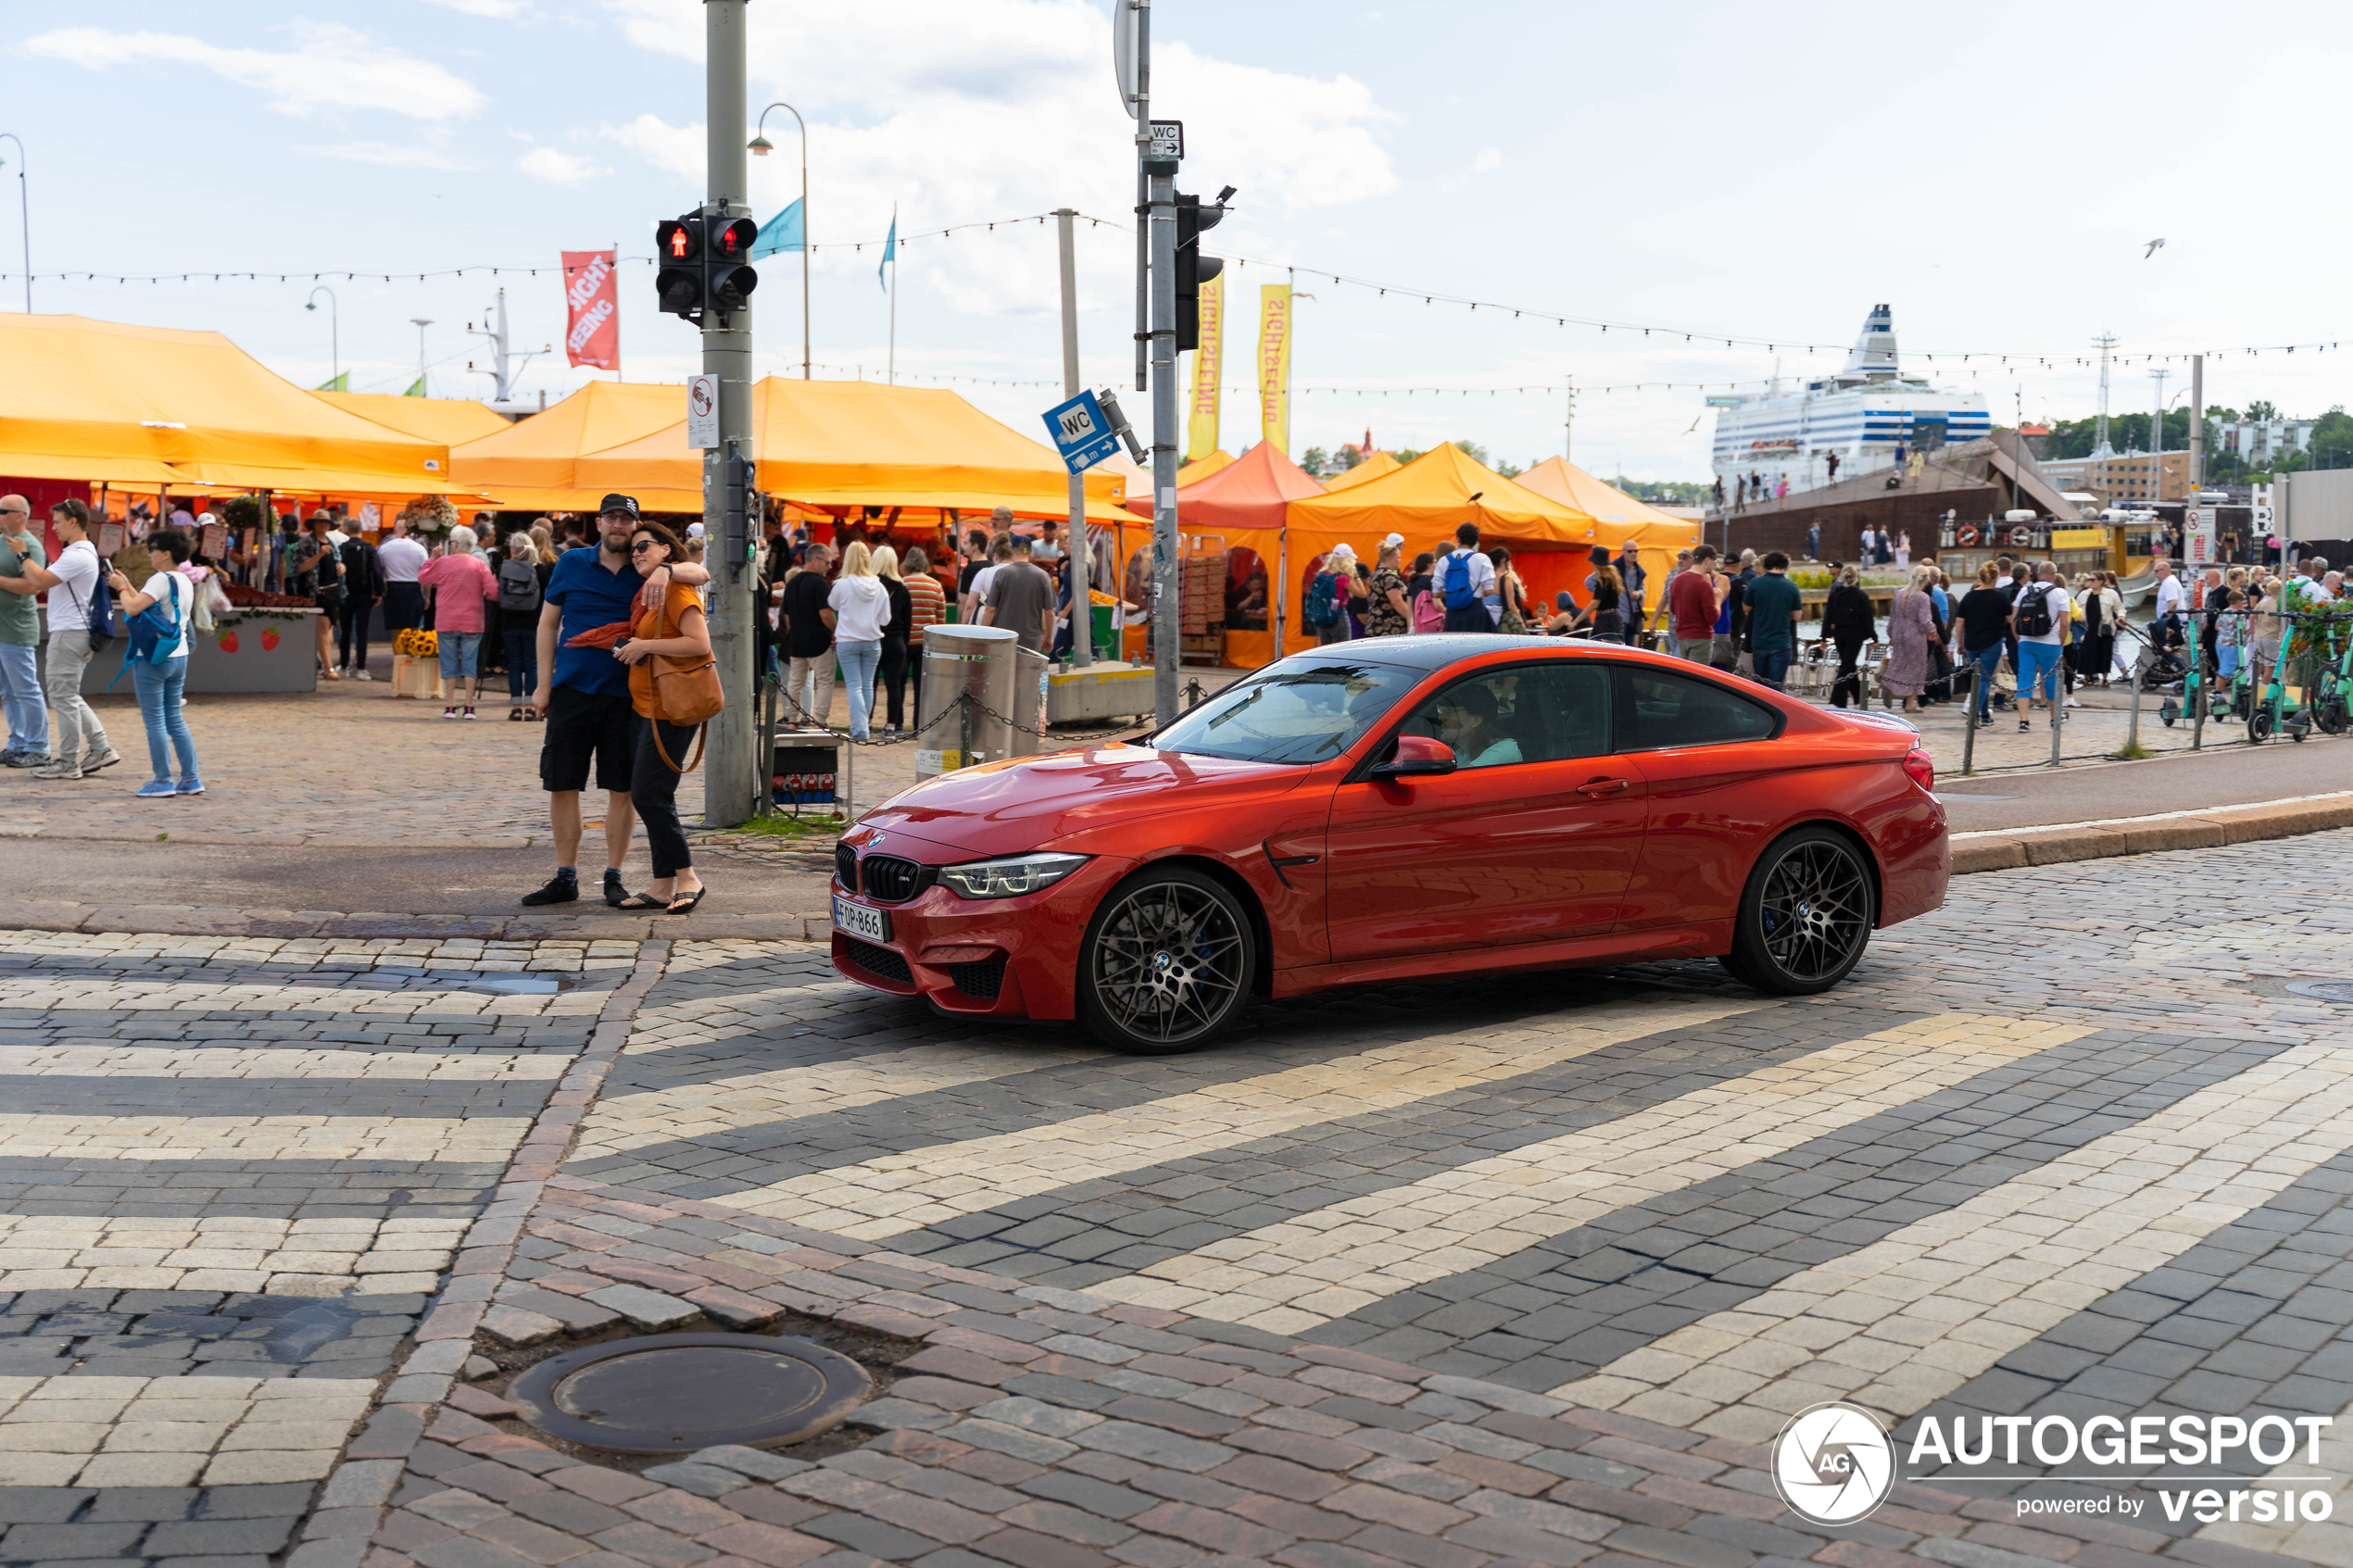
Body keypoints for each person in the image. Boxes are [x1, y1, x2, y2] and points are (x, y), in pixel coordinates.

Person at [524, 494, 707, 908]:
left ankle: (613, 876)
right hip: (571, 690)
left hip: (627, 696)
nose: (619, 526)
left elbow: (701, 571)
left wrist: (665, 570)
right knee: (562, 784)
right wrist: (542, 684)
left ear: (637, 525)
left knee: (621, 789)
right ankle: (565, 876)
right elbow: (548, 623)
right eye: (612, 518)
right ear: (599, 522)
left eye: (627, 519)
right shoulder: (571, 563)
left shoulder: (645, 567)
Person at [609, 520, 711, 916]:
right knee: (653, 795)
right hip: (648, 707)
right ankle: (661, 884)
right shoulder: (654, 589)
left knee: (648, 795)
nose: (636, 553)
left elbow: (698, 643)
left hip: (671, 709)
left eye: (644, 546)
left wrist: (642, 646)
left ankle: (688, 877)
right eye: (633, 549)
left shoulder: (677, 587)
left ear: (667, 551)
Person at [9, 500, 121, 780]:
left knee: (62, 697)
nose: (55, 528)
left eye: (58, 522)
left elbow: (40, 581)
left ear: (73, 521)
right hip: (75, 633)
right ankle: (100, 747)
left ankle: (68, 761)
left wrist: (24, 556)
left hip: (70, 634)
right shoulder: (83, 552)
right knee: (68, 695)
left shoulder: (78, 554)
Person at [106, 526, 202, 797]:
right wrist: (129, 586)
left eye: (153, 550)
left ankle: (162, 781)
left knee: (155, 722)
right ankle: (191, 778)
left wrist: (121, 587)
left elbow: (133, 607)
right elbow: (151, 603)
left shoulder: (160, 579)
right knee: (175, 719)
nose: (149, 555)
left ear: (166, 553)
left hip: (153, 657)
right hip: (178, 653)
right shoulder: (182, 579)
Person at [419, 526, 497, 719]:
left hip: (446, 620)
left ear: (454, 544)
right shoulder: (479, 565)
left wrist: (432, 558)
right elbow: (494, 592)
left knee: (449, 663)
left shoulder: (443, 562)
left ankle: (451, 705)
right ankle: (469, 706)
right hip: (472, 620)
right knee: (470, 663)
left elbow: (423, 577)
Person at [0, 495, 48, 767]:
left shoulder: (29, 545)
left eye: (2, 511)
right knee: (8, 691)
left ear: (19, 515)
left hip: (17, 628)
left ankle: (38, 746)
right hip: (2, 628)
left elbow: (33, 586)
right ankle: (17, 743)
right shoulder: (2, 540)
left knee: (26, 690)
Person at [827, 542, 891, 742]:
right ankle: (863, 727)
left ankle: (860, 728)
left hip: (847, 641)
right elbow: (886, 620)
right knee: (867, 686)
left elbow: (832, 604)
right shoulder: (879, 587)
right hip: (872, 641)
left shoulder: (842, 584)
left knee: (854, 686)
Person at [2009, 560, 2072, 733]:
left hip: (2026, 641)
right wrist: (2061, 641)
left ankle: (2024, 721)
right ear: (2054, 575)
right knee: (2051, 680)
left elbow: (2014, 618)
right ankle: (2054, 718)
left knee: (2025, 679)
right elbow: (2065, 622)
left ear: (2037, 575)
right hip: (2050, 643)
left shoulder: (2025, 591)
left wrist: (2019, 639)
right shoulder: (2060, 593)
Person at [781, 540, 837, 728]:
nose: (829, 567)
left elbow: (787, 615)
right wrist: (835, 631)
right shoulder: (820, 584)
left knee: (795, 683)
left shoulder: (792, 583)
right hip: (819, 642)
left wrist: (796, 629)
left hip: (797, 642)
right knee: (824, 682)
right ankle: (820, 721)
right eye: (827, 562)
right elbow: (825, 613)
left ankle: (791, 720)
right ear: (815, 560)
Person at [497, 532, 553, 721]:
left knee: (514, 664)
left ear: (513, 549)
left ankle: (515, 707)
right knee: (531, 664)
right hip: (533, 622)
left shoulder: (504, 568)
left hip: (509, 621)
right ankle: (530, 707)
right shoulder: (540, 570)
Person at [1952, 563, 2010, 727]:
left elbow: (1959, 621)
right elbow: (2011, 619)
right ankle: (1975, 714)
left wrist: (1959, 642)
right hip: (1992, 642)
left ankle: (1985, 715)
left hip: (1971, 643)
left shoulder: (1969, 597)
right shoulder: (2000, 597)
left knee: (1978, 677)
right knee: (1984, 679)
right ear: (1996, 578)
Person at [865, 545, 915, 735]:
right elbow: (908, 622)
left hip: (874, 638)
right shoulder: (902, 589)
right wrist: (904, 642)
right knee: (894, 685)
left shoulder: (870, 586)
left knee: (870, 684)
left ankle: (867, 722)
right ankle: (891, 725)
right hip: (896, 642)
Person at [981, 533, 1056, 658]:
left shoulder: (1002, 574)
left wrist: (982, 636)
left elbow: (990, 609)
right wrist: (1048, 637)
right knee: (1028, 675)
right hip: (1031, 641)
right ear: (1030, 552)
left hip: (1003, 639)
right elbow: (1050, 613)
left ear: (1011, 552)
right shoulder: (1042, 576)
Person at [900, 546, 945, 725]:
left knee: (899, 684)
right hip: (926, 642)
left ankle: (897, 723)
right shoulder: (936, 585)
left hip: (904, 641)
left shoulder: (902, 583)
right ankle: (920, 724)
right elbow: (941, 620)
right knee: (922, 687)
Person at [1745, 552, 1803, 690]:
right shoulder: (1791, 586)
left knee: (1760, 685)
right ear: (1785, 565)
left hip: (1759, 641)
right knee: (1775, 686)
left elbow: (1746, 608)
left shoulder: (1755, 583)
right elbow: (1797, 617)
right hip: (1781, 642)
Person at [1821, 565, 1877, 708]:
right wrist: (1873, 637)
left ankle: (1859, 698)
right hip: (1855, 634)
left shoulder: (1835, 594)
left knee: (1848, 664)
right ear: (1856, 578)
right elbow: (1867, 618)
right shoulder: (1861, 596)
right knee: (1847, 665)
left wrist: (1824, 637)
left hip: (1839, 633)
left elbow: (1828, 616)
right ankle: (1837, 701)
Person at [1882, 565, 1935, 714]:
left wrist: (1891, 633)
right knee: (1916, 668)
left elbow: (1892, 617)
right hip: (1914, 635)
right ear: (1925, 580)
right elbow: (1924, 621)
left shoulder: (1899, 594)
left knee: (1898, 662)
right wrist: (1933, 630)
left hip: (1898, 632)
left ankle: (1889, 687)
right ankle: (1910, 704)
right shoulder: (1922, 597)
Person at [335, 521, 384, 681]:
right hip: (364, 595)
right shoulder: (369, 549)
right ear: (361, 530)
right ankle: (361, 668)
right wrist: (379, 593)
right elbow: (377, 572)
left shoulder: (342, 548)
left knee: (345, 632)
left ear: (347, 530)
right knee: (362, 631)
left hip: (345, 594)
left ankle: (343, 666)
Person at [1434, 681, 1519, 769]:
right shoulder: (1458, 755)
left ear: (1476, 721)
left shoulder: (1505, 749)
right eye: (1442, 711)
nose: (1440, 717)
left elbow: (1461, 780)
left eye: (1449, 712)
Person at [306, 513, 348, 682]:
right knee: (324, 628)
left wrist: (342, 567)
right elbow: (301, 567)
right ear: (314, 524)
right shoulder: (307, 543)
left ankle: (324, 664)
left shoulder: (332, 543)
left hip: (333, 590)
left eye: (326, 522)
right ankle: (328, 667)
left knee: (328, 628)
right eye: (320, 522)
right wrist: (320, 555)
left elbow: (339, 562)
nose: (323, 525)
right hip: (316, 590)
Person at [1436, 523, 1498, 633]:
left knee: (1452, 647)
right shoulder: (1482, 558)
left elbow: (1436, 593)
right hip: (1475, 609)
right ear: (1476, 540)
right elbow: (1488, 591)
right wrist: (1468, 593)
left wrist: (1455, 593)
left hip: (1453, 611)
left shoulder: (1444, 560)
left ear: (1458, 538)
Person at [1667, 544, 1723, 662]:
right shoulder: (1704, 585)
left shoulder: (1677, 580)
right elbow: (1712, 617)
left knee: (1684, 674)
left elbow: (1672, 609)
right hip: (1701, 637)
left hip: (1682, 636)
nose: (1715, 564)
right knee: (1697, 676)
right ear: (1707, 560)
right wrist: (1718, 599)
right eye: (1715, 560)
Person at [378, 518, 429, 640]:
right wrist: (427, 596)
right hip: (413, 588)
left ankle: (397, 656)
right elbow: (426, 575)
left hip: (393, 589)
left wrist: (381, 589)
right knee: (414, 627)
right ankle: (413, 656)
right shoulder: (420, 549)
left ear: (395, 529)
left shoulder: (384, 548)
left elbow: (380, 571)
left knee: (395, 627)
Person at [1306, 544, 1358, 644]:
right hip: (1338, 615)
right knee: (1343, 648)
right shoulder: (1343, 578)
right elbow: (1362, 593)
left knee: (1326, 650)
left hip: (1323, 616)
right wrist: (1357, 576)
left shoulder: (1323, 574)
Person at [1365, 541, 1410, 637]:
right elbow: (1396, 601)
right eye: (1398, 558)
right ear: (1390, 558)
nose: (1400, 560)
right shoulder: (1389, 576)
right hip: (1389, 628)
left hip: (1377, 624)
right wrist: (1411, 618)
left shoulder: (1376, 574)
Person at [1491, 547, 1531, 633]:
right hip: (1499, 623)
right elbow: (1511, 605)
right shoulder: (1505, 578)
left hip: (1486, 621)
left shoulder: (1485, 577)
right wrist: (1521, 622)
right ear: (1504, 560)